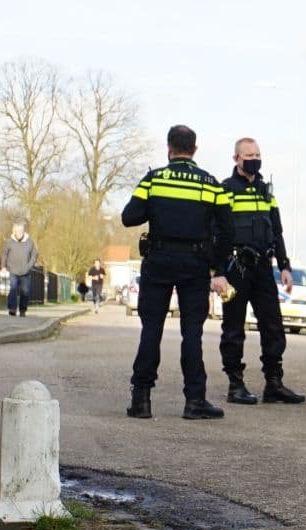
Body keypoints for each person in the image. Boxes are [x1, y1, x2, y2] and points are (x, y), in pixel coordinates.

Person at [120, 124, 234, 421]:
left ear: (169, 148)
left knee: (151, 329)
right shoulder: (211, 184)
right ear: (194, 149)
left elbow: (129, 217)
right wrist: (218, 267)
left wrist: (157, 209)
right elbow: (228, 230)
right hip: (195, 264)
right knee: (192, 333)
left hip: (158, 259)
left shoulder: (154, 179)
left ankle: (141, 400)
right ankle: (195, 400)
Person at [219, 138, 305, 406]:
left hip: (264, 269)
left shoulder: (266, 192)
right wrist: (217, 271)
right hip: (236, 269)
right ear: (236, 159)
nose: (254, 159)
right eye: (249, 155)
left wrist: (285, 265)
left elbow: (277, 231)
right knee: (233, 328)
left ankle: (274, 384)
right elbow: (217, 233)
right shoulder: (225, 190)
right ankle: (235, 384)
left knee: (273, 326)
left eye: (257, 154)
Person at [0, 223, 38, 316]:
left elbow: (34, 255)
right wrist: (3, 266)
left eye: (21, 231)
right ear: (14, 232)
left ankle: (22, 310)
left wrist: (29, 265)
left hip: (26, 271)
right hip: (13, 270)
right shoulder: (9, 242)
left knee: (25, 291)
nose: (19, 233)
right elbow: (4, 254)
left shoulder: (30, 242)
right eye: (17, 231)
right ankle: (12, 309)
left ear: (23, 231)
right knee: (13, 289)